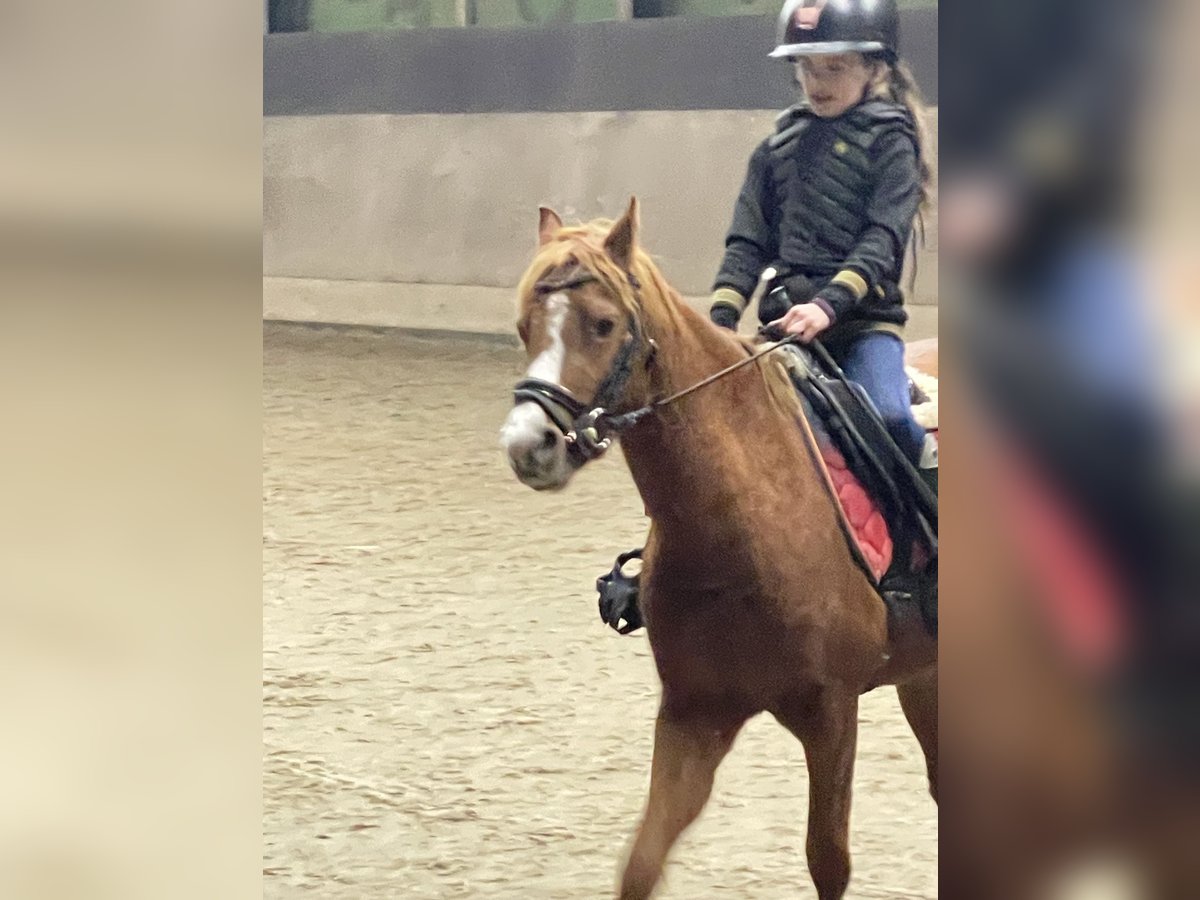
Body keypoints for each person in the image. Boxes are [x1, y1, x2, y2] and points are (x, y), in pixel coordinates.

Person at [709, 0, 935, 479]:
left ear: (874, 68)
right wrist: (721, 322)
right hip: (786, 326)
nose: (818, 83)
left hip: (861, 326)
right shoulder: (774, 149)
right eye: (807, 68)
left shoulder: (892, 143)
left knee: (891, 418)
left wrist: (828, 306)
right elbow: (747, 243)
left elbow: (881, 240)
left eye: (835, 68)